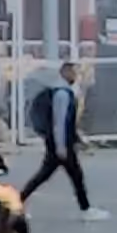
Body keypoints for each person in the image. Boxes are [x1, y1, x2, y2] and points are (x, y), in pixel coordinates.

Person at [21, 61, 88, 209]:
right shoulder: (62, 94)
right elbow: (60, 121)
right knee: (72, 176)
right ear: (64, 73)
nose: (75, 76)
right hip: (60, 143)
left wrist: (76, 138)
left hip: (59, 142)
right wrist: (61, 146)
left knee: (63, 176)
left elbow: (67, 122)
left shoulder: (64, 92)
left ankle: (17, 200)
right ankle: (86, 209)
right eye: (72, 72)